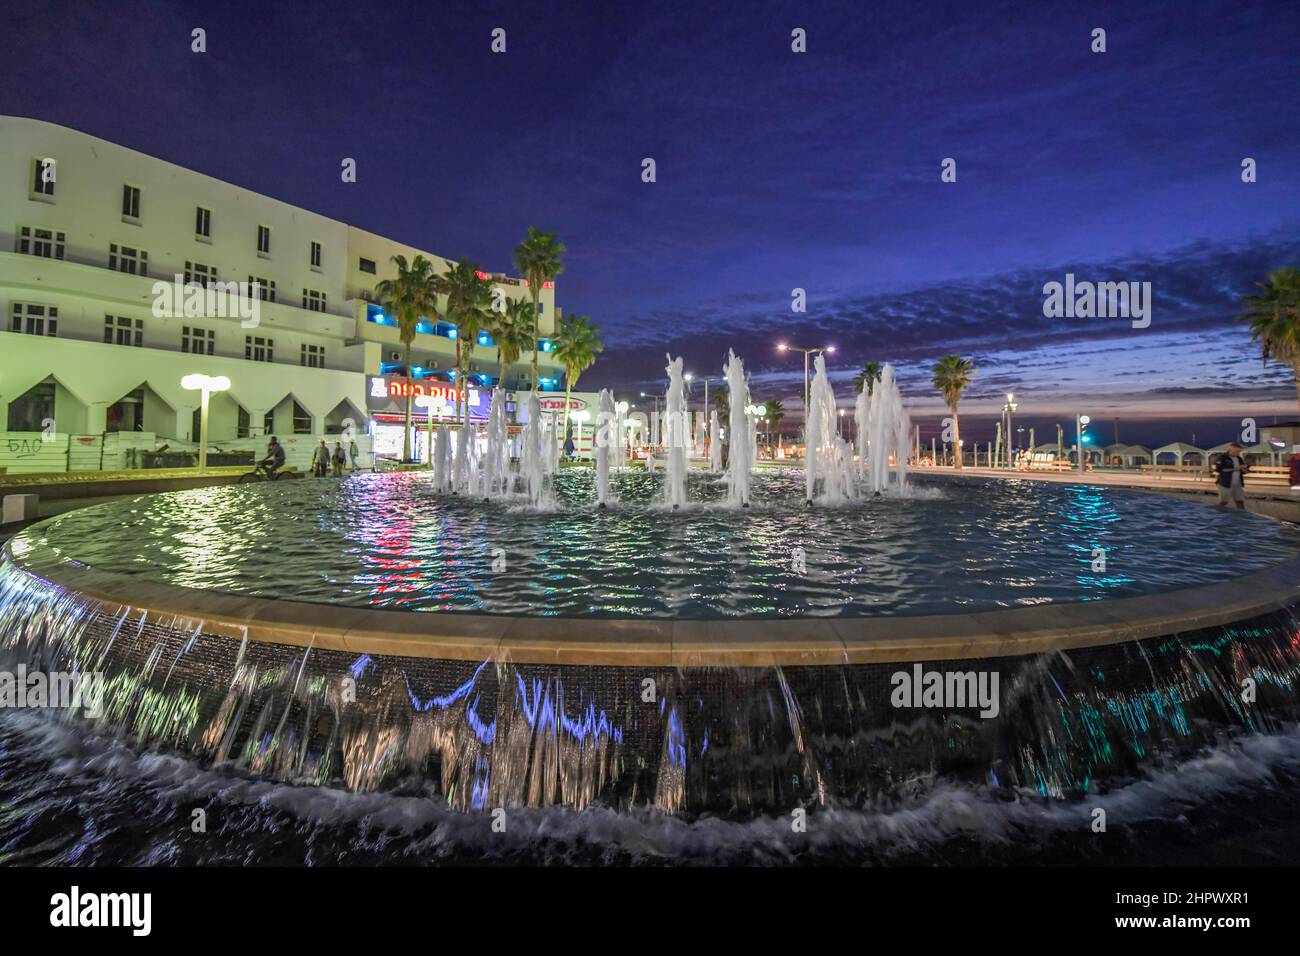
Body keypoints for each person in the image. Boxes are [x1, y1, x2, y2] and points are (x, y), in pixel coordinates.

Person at [1214, 442, 1249, 509]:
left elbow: (1242, 469)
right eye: (1237, 451)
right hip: (1225, 483)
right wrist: (1237, 468)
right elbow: (1221, 470)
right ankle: (1216, 513)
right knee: (1224, 501)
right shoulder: (1222, 458)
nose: (1238, 453)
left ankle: (1241, 516)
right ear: (1231, 449)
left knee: (1240, 501)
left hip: (1237, 483)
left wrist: (1245, 470)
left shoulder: (1239, 458)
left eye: (1239, 451)